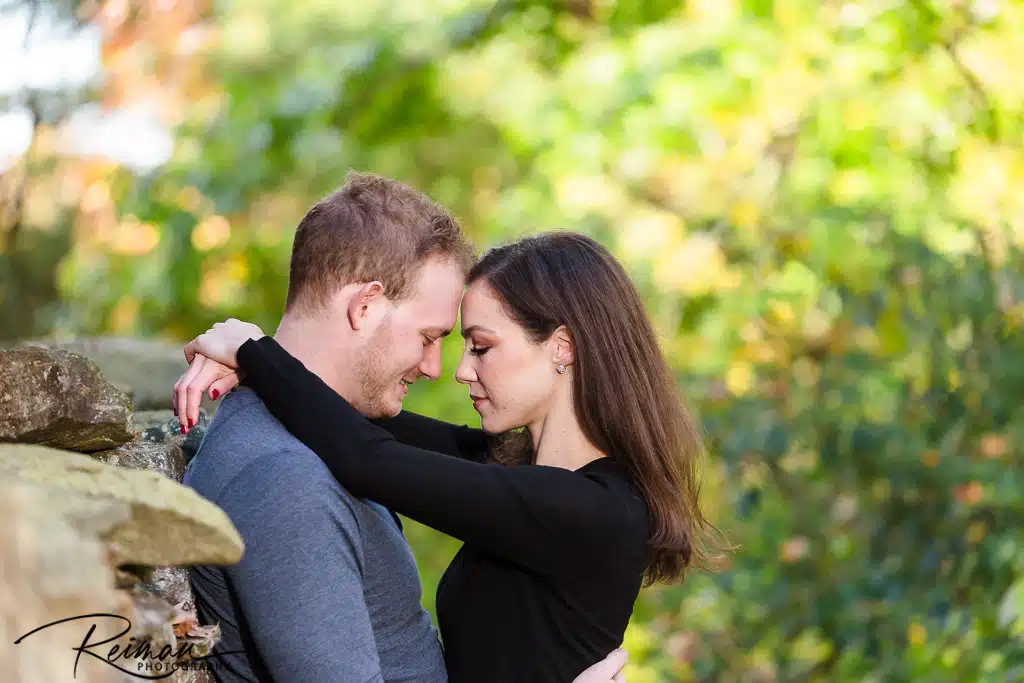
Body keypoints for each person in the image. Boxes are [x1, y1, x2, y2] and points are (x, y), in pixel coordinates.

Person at [177, 228, 725, 681]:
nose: (462, 370)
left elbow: (369, 460)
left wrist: (253, 348)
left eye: (482, 347)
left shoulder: (593, 510)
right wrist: (262, 371)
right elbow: (369, 421)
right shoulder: (516, 469)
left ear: (563, 346)